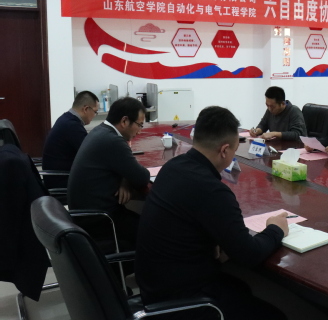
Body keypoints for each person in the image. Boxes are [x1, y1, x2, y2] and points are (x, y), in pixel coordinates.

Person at [136, 106, 289, 320]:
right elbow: (249, 255)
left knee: (240, 288)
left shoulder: (173, 166)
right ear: (224, 150)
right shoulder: (212, 190)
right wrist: (275, 229)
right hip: (183, 300)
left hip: (154, 286)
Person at [68, 97, 149, 251]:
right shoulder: (113, 141)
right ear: (124, 121)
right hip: (100, 220)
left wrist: (124, 179)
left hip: (86, 214)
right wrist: (128, 175)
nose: (140, 131)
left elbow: (124, 167)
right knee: (153, 230)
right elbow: (142, 177)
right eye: (139, 125)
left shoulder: (100, 130)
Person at [42, 91, 99, 189]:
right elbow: (92, 153)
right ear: (86, 109)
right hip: (62, 180)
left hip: (58, 176)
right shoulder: (72, 126)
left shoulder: (66, 119)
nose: (95, 115)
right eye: (95, 112)